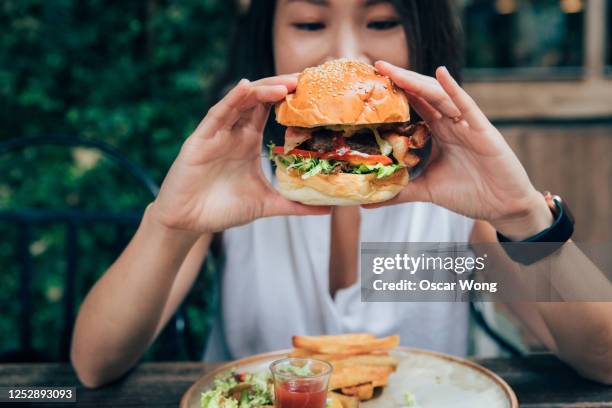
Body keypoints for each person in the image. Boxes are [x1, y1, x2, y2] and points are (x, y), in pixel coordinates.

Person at [71, 0, 612, 388]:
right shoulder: (236, 180)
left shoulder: (454, 203)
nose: (347, 53)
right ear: (268, 38)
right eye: (310, 21)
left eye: (381, 21)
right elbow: (95, 365)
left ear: (423, 36)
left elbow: (602, 358)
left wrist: (525, 217)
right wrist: (171, 223)